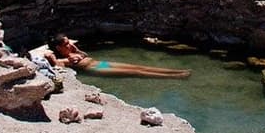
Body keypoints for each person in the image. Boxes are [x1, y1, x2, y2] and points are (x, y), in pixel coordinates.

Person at [47, 34, 191, 79]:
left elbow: (85, 55)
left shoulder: (72, 50)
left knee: (138, 67)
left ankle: (175, 71)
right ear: (59, 47)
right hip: (96, 69)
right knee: (135, 73)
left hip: (100, 63)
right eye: (66, 43)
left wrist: (77, 50)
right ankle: (176, 76)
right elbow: (55, 63)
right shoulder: (62, 59)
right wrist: (52, 57)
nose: (69, 44)